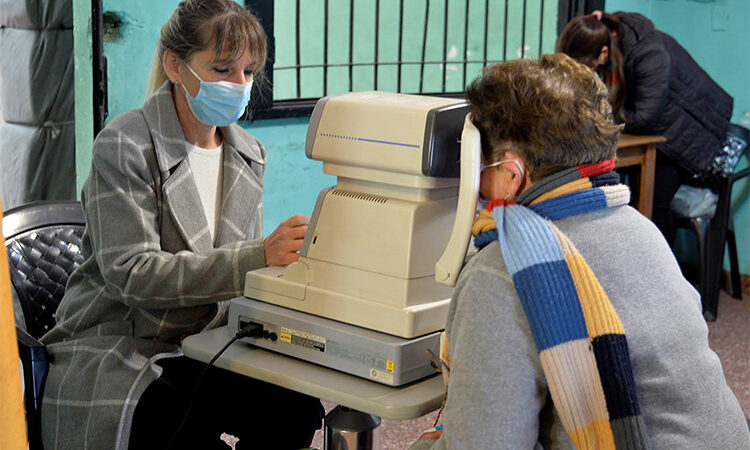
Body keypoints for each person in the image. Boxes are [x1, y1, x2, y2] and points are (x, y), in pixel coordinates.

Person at [408, 54, 749, 449]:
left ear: (512, 175)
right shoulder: (643, 230)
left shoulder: (501, 273)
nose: (478, 181)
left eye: (482, 163)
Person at [39, 1, 323, 449]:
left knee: (295, 410)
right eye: (223, 68)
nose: (240, 86)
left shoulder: (249, 154)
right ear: (175, 65)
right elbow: (132, 275)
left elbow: (243, 278)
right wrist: (258, 256)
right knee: (181, 431)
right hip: (121, 350)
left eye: (249, 72)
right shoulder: (123, 145)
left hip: (203, 345)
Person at [556, 11, 733, 244]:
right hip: (668, 129)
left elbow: (643, 118)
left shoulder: (649, 53)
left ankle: (661, 275)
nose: (593, 70)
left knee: (654, 204)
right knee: (620, 187)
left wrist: (598, 114)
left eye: (590, 64)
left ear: (604, 52)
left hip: (694, 136)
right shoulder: (616, 35)